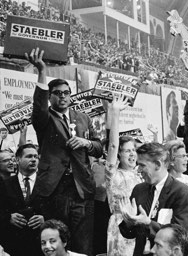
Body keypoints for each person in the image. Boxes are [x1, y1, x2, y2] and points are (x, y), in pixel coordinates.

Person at [27, 48, 103, 255]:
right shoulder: (44, 118)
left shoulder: (83, 118)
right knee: (56, 242)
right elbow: (38, 105)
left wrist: (85, 143)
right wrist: (42, 71)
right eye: (57, 93)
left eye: (66, 92)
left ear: (71, 95)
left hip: (81, 189)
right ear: (50, 97)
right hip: (55, 189)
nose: (62, 96)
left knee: (83, 244)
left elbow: (98, 147)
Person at [118, 142, 188, 256]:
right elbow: (130, 234)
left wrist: (148, 223)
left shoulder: (182, 193)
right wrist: (129, 222)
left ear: (158, 164)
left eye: (142, 165)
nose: (138, 170)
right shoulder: (138, 190)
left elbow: (180, 237)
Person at [105, 94, 143, 255]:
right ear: (119, 155)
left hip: (140, 226)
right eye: (127, 151)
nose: (132, 154)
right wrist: (115, 113)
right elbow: (113, 145)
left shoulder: (139, 175)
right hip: (120, 226)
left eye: (134, 150)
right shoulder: (112, 173)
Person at [0, 144, 45, 256]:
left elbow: (58, 210)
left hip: (40, 244)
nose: (33, 160)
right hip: (13, 245)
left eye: (36, 157)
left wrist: (45, 219)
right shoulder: (5, 184)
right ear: (17, 159)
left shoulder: (47, 183)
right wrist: (8, 217)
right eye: (29, 156)